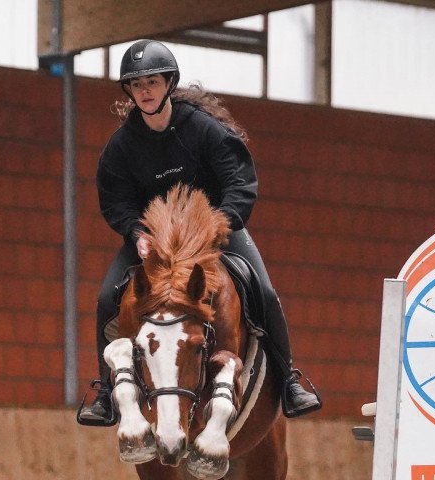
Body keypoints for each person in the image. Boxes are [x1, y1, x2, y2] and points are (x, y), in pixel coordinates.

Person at [78, 39, 321, 426]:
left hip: (212, 234)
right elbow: (115, 201)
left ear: (169, 83)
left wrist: (217, 226)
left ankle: (290, 379)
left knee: (265, 290)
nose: (144, 92)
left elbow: (239, 183)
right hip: (153, 244)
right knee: (108, 296)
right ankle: (105, 393)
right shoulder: (121, 147)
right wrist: (136, 232)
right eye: (136, 85)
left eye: (152, 82)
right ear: (129, 90)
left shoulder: (204, 131)